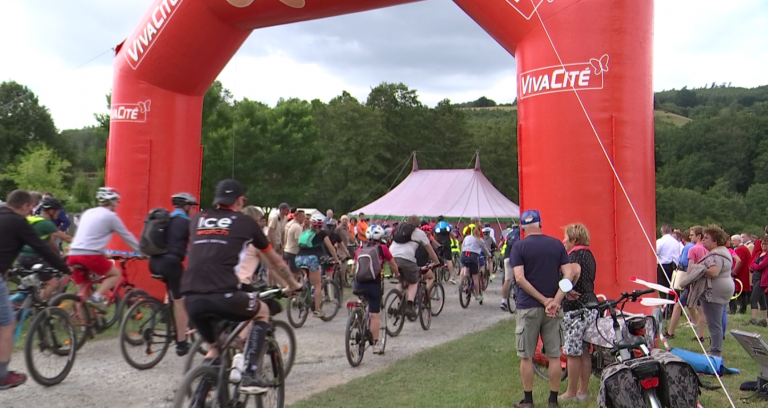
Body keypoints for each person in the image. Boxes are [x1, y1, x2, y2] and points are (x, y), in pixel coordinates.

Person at [181, 179, 301, 394]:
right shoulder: (245, 222)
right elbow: (274, 261)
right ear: (240, 200)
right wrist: (293, 284)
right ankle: (250, 373)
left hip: (190, 298)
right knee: (262, 311)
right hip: (224, 294)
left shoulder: (198, 218)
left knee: (215, 348)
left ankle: (198, 399)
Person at [0, 190, 71, 390]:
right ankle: (2, 375)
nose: (32, 211)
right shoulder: (18, 221)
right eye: (30, 207)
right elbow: (43, 248)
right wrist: (65, 268)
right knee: (6, 323)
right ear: (23, 206)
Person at [509, 209, 575, 408]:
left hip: (527, 307)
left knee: (526, 355)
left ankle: (528, 400)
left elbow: (519, 278)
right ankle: (553, 400)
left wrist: (543, 300)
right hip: (553, 309)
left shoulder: (519, 247)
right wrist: (555, 299)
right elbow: (569, 274)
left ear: (522, 227)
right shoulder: (556, 244)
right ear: (540, 224)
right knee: (554, 355)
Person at [67, 187, 143, 311]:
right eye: (117, 201)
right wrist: (141, 251)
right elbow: (127, 236)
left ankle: (84, 325)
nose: (117, 205)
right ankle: (97, 296)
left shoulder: (88, 212)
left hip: (73, 255)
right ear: (112, 201)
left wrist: (103, 252)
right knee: (115, 274)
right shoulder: (111, 216)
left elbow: (86, 237)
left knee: (82, 296)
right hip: (89, 256)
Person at [148, 192, 197, 356]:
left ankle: (164, 313)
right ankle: (181, 343)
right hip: (171, 265)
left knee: (173, 286)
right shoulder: (186, 223)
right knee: (180, 302)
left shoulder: (165, 220)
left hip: (154, 263)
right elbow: (197, 245)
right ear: (188, 207)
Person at [559, 223, 598, 402]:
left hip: (576, 309)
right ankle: (583, 391)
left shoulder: (574, 256)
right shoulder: (589, 255)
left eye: (566, 237)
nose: (563, 241)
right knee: (584, 351)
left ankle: (571, 392)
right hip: (591, 304)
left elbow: (572, 273)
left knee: (573, 351)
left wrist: (565, 290)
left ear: (574, 239)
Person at [352, 225, 399, 354]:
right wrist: (397, 274)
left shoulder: (361, 248)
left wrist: (353, 276)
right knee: (374, 314)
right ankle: (376, 344)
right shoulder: (382, 248)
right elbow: (393, 263)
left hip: (359, 283)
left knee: (361, 299)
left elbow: (355, 265)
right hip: (374, 283)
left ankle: (357, 318)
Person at [16, 197, 72, 302]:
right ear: (51, 211)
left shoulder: (34, 220)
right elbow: (67, 238)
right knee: (53, 282)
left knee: (39, 280)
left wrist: (59, 254)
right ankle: (39, 307)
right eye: (57, 211)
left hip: (22, 256)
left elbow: (50, 241)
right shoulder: (46, 224)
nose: (58, 213)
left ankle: (31, 301)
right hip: (33, 258)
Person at [692, 225, 734, 357]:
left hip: (714, 292)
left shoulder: (716, 254)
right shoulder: (724, 252)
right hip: (724, 289)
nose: (703, 240)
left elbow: (714, 272)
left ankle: (715, 353)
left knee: (713, 323)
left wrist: (698, 269)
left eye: (706, 238)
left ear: (715, 241)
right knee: (717, 321)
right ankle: (715, 349)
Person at [390, 215, 440, 318]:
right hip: (406, 258)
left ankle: (399, 303)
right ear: (418, 225)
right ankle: (409, 305)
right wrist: (436, 262)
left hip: (392, 257)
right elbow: (430, 250)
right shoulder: (419, 233)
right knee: (414, 280)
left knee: (401, 280)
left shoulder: (399, 229)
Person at [295, 213, 341, 319]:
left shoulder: (306, 232)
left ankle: (302, 294)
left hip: (299, 258)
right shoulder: (322, 233)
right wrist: (336, 260)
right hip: (311, 259)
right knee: (317, 285)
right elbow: (331, 248)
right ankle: (317, 310)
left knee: (307, 277)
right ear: (322, 224)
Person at [666, 226, 708, 339]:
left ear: (699, 236)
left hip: (693, 282)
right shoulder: (707, 249)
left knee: (678, 306)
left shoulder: (692, 249)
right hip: (703, 281)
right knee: (700, 309)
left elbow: (689, 269)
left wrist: (686, 282)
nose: (689, 237)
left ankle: (670, 332)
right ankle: (700, 335)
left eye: (692, 235)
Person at [460, 224, 491, 304]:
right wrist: (489, 256)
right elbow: (486, 251)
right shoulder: (480, 240)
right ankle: (477, 295)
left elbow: (462, 247)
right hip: (473, 257)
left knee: (465, 268)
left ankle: (464, 282)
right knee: (475, 277)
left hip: (464, 255)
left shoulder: (467, 237)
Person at [500, 223, 521, 311]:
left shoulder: (508, 234)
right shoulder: (521, 233)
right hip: (516, 258)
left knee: (507, 279)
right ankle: (520, 299)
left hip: (506, 257)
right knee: (520, 277)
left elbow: (501, 244)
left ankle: (504, 301)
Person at [656, 224, 680, 301]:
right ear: (670, 231)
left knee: (663, 288)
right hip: (674, 266)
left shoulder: (660, 241)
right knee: (673, 287)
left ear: (661, 232)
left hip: (663, 266)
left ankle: (664, 306)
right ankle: (672, 306)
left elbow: (656, 252)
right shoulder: (676, 242)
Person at [748, 239, 768, 327]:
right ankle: (764, 320)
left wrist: (755, 266)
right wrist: (756, 266)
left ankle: (753, 320)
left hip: (762, 280)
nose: (763, 245)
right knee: (762, 300)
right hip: (755, 278)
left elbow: (761, 266)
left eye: (766, 244)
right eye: (762, 243)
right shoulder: (758, 253)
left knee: (753, 299)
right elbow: (751, 264)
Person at [282, 210, 306, 280]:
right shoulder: (297, 227)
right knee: (294, 273)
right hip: (293, 252)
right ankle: (293, 288)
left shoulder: (288, 224)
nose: (304, 219)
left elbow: (283, 235)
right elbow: (298, 241)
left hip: (286, 250)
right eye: (302, 217)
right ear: (297, 216)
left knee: (288, 272)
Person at [433, 216, 455, 283]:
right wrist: (454, 242)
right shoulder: (447, 225)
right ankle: (452, 277)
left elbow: (434, 236)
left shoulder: (436, 226)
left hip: (439, 244)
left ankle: (436, 277)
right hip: (447, 243)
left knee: (438, 259)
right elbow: (452, 235)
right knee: (449, 260)